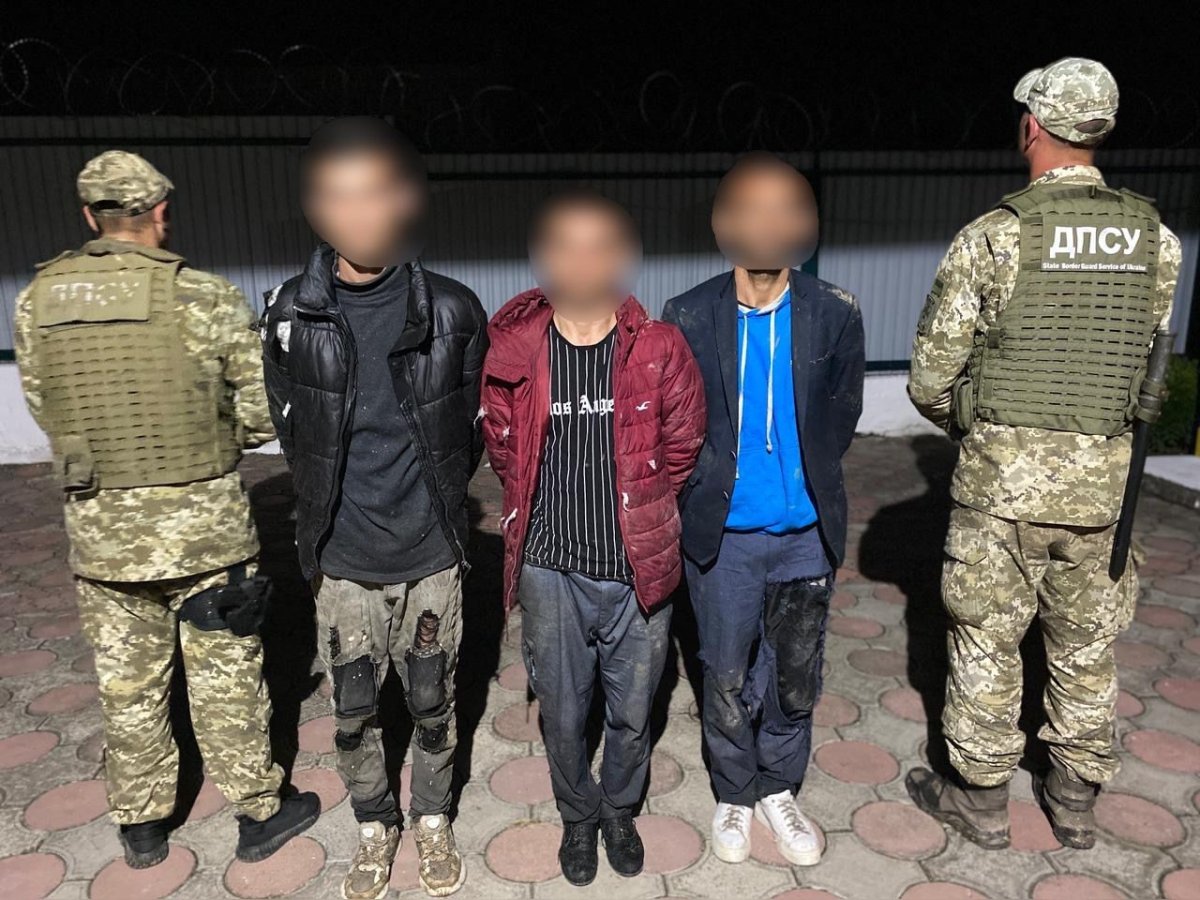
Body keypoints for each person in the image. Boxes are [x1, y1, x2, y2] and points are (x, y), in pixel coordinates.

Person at [12, 150, 319, 870]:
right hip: (204, 534)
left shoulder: (37, 303)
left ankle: (143, 826)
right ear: (160, 212)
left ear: (89, 216)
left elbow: (44, 407)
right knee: (226, 678)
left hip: (103, 538)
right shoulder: (204, 297)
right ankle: (258, 812)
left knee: (128, 685)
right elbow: (260, 415)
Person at [906, 58, 1182, 851]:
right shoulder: (1156, 243)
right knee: (1087, 646)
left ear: (1032, 125)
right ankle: (1075, 801)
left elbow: (930, 379)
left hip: (1002, 489)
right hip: (1105, 494)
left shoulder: (994, 237)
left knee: (986, 641)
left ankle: (982, 803)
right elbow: (1146, 365)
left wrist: (984, 429)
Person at [261, 117, 486, 899]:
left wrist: (435, 512)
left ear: (403, 201)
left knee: (433, 700)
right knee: (353, 710)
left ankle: (432, 818)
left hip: (429, 555)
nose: (358, 215)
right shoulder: (289, 315)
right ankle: (372, 823)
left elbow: (468, 432)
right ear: (315, 208)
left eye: (374, 195)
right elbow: (295, 435)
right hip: (343, 560)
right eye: (338, 197)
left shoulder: (454, 310)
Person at [481, 189, 705, 886]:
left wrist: (640, 514)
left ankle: (619, 810)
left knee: (633, 712)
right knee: (564, 709)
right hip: (550, 569)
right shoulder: (518, 347)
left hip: (635, 568)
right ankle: (578, 816)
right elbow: (504, 449)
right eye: (566, 248)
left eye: (598, 248)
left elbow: (682, 448)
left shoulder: (659, 347)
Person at [663, 154, 865, 866]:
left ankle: (778, 787)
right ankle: (734, 790)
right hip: (725, 538)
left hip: (806, 534)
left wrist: (802, 484)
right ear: (723, 223)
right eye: (750, 209)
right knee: (722, 672)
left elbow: (841, 415)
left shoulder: (834, 310)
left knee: (793, 674)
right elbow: (675, 425)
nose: (767, 224)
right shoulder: (688, 314)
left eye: (786, 209)